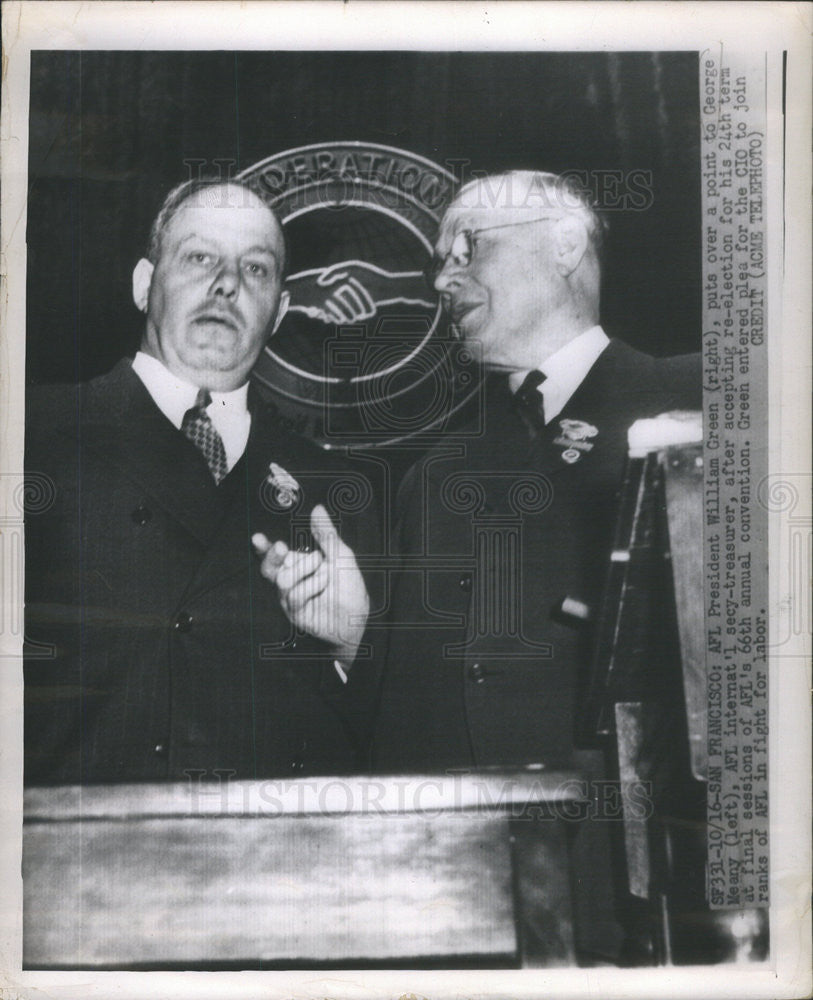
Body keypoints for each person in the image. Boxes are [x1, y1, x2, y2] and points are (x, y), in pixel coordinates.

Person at [372, 170, 701, 960]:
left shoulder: (697, 400)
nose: (441, 275)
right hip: (471, 889)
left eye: (468, 246)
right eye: (439, 257)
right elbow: (407, 710)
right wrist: (358, 634)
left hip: (641, 870)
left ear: (564, 247)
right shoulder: (432, 474)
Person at [24, 178, 378, 786]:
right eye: (199, 257)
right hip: (72, 857)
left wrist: (352, 647)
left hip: (272, 864)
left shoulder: (340, 489)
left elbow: (392, 740)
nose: (228, 284)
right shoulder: (29, 430)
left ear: (281, 312)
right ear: (144, 284)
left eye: (256, 269)